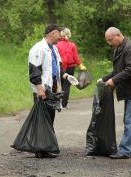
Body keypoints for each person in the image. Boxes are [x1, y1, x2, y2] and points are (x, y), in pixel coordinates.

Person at [97, 27, 131, 159]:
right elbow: (117, 70)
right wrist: (104, 79)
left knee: (130, 121)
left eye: (110, 40)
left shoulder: (130, 48)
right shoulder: (119, 49)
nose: (109, 43)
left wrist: (114, 81)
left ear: (118, 35)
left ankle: (125, 151)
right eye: (107, 41)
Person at [28, 23, 79, 158]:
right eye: (59, 33)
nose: (60, 35)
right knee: (42, 120)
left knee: (50, 118)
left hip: (53, 89)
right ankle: (40, 149)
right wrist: (39, 89)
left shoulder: (54, 49)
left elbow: (59, 68)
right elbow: (34, 71)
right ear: (53, 33)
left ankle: (47, 146)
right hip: (43, 90)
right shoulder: (38, 48)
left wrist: (67, 76)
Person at [56, 28, 87, 109]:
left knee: (59, 85)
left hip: (59, 67)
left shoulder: (56, 45)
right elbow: (75, 56)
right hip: (70, 67)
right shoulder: (72, 45)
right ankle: (64, 104)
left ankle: (58, 102)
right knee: (66, 86)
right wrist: (80, 65)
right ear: (69, 35)